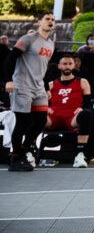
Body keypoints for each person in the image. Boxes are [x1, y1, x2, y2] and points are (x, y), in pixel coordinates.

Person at [5, 12, 56, 172]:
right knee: (23, 122)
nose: (50, 21)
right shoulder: (28, 38)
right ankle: (15, 158)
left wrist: (46, 88)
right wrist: (8, 80)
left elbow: (43, 68)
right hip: (22, 85)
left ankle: (22, 151)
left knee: (41, 121)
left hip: (39, 87)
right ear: (39, 22)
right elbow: (10, 58)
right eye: (47, 19)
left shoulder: (51, 44)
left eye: (53, 19)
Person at [45, 54, 91, 168]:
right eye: (64, 64)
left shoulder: (83, 82)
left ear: (74, 66)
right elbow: (42, 102)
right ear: (59, 66)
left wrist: (82, 108)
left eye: (70, 64)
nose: (67, 66)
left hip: (72, 117)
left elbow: (88, 104)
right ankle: (29, 153)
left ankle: (80, 155)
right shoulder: (50, 84)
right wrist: (46, 108)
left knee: (86, 114)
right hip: (54, 116)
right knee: (36, 113)